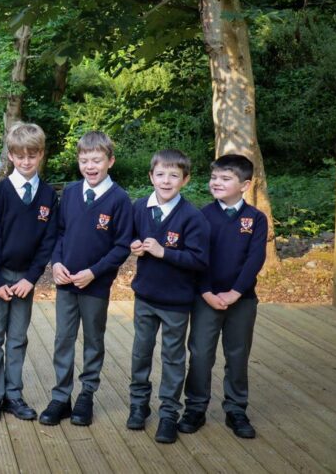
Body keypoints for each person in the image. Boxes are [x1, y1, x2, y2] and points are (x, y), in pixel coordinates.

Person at [40, 131, 132, 427]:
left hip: (95, 285)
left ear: (110, 161)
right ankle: (60, 396)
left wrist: (94, 272)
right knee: (63, 339)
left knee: (93, 340)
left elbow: (121, 246)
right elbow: (59, 232)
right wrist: (56, 264)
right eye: (84, 160)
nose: (90, 166)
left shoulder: (119, 199)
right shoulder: (69, 193)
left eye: (96, 160)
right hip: (66, 281)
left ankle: (86, 394)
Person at [178, 154, 267, 439]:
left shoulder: (255, 219)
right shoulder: (202, 215)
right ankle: (195, 406)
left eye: (225, 178)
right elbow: (198, 258)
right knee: (201, 353)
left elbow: (255, 259)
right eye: (214, 177)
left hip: (242, 299)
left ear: (245, 185)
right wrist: (206, 291)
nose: (216, 182)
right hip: (206, 298)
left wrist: (235, 293)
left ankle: (236, 408)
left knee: (237, 354)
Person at [127, 149, 210, 444]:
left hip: (176, 302)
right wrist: (134, 245)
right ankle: (138, 405)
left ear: (185, 180)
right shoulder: (140, 207)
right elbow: (129, 237)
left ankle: (168, 414)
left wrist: (165, 252)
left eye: (174, 175)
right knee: (141, 352)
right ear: (151, 176)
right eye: (160, 174)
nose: (166, 180)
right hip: (145, 296)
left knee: (173, 358)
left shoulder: (192, 217)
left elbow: (200, 261)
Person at [0, 123, 58, 422]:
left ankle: (14, 395)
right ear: (11, 156)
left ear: (40, 155)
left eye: (32, 155)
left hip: (25, 279)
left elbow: (48, 241)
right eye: (20, 155)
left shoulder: (48, 196)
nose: (26, 161)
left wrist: (31, 278)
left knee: (17, 338)